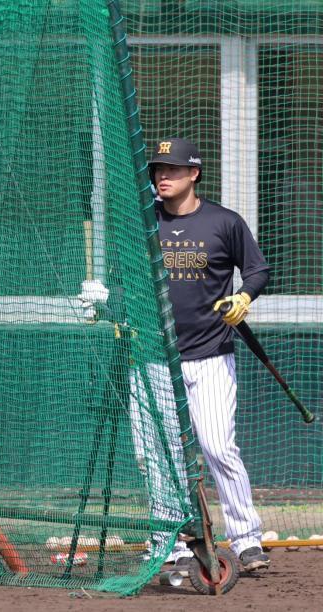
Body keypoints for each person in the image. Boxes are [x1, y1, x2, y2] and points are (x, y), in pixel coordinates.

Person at [147, 137, 271, 572]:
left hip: (211, 353)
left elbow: (257, 268)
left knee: (218, 447)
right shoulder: (144, 222)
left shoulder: (224, 221)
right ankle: (170, 543)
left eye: (173, 169)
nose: (163, 176)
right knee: (158, 455)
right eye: (159, 170)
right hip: (152, 357)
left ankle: (246, 540)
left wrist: (244, 297)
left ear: (194, 173)